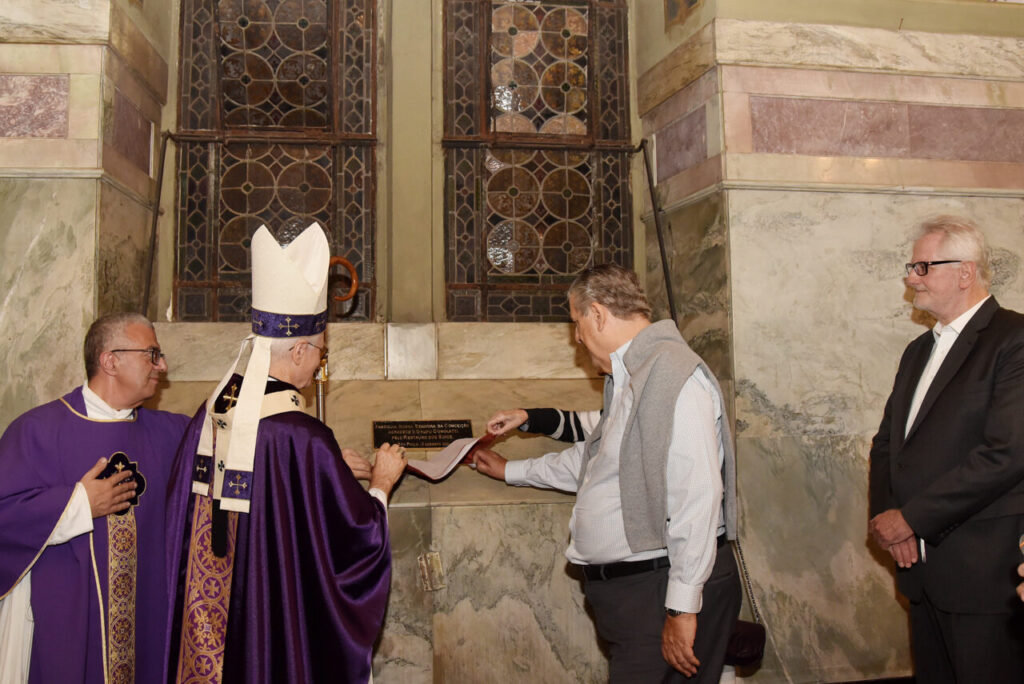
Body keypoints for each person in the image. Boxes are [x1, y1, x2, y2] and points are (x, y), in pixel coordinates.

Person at [473, 263, 740, 683]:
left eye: (577, 324)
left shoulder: (672, 376)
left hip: (658, 590)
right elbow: (597, 460)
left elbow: (698, 497)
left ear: (597, 314)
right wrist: (512, 470)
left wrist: (682, 607)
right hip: (639, 593)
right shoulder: (632, 376)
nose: (577, 338)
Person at [164, 222, 407, 683]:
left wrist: (329, 473)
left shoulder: (212, 413)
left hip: (211, 623)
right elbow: (354, 546)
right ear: (297, 352)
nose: (321, 362)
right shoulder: (303, 436)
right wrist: (380, 484)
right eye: (320, 351)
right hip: (270, 622)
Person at [868, 215, 1024, 681]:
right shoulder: (918, 350)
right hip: (920, 570)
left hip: (984, 573)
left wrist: (912, 518)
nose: (910, 278)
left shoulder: (1013, 340)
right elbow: (887, 445)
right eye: (911, 267)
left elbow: (1007, 452)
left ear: (965, 272)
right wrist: (889, 520)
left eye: (923, 267)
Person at [0, 313, 189, 684]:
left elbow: (237, 452)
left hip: (146, 623)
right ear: (110, 360)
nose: (162, 366)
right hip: (65, 628)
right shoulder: (37, 431)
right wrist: (78, 504)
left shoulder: (172, 434)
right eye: (151, 354)